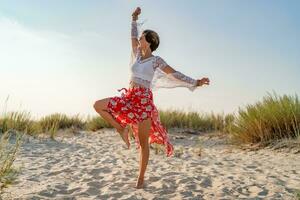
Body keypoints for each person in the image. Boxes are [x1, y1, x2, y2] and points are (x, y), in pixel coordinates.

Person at [93, 7, 210, 189]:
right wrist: (133, 18)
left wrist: (196, 82)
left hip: (144, 103)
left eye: (141, 38)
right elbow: (132, 37)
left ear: (148, 42)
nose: (138, 39)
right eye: (139, 38)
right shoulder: (137, 54)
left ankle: (140, 179)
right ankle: (121, 129)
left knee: (143, 143)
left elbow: (175, 74)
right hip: (129, 97)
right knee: (98, 105)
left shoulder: (157, 61)